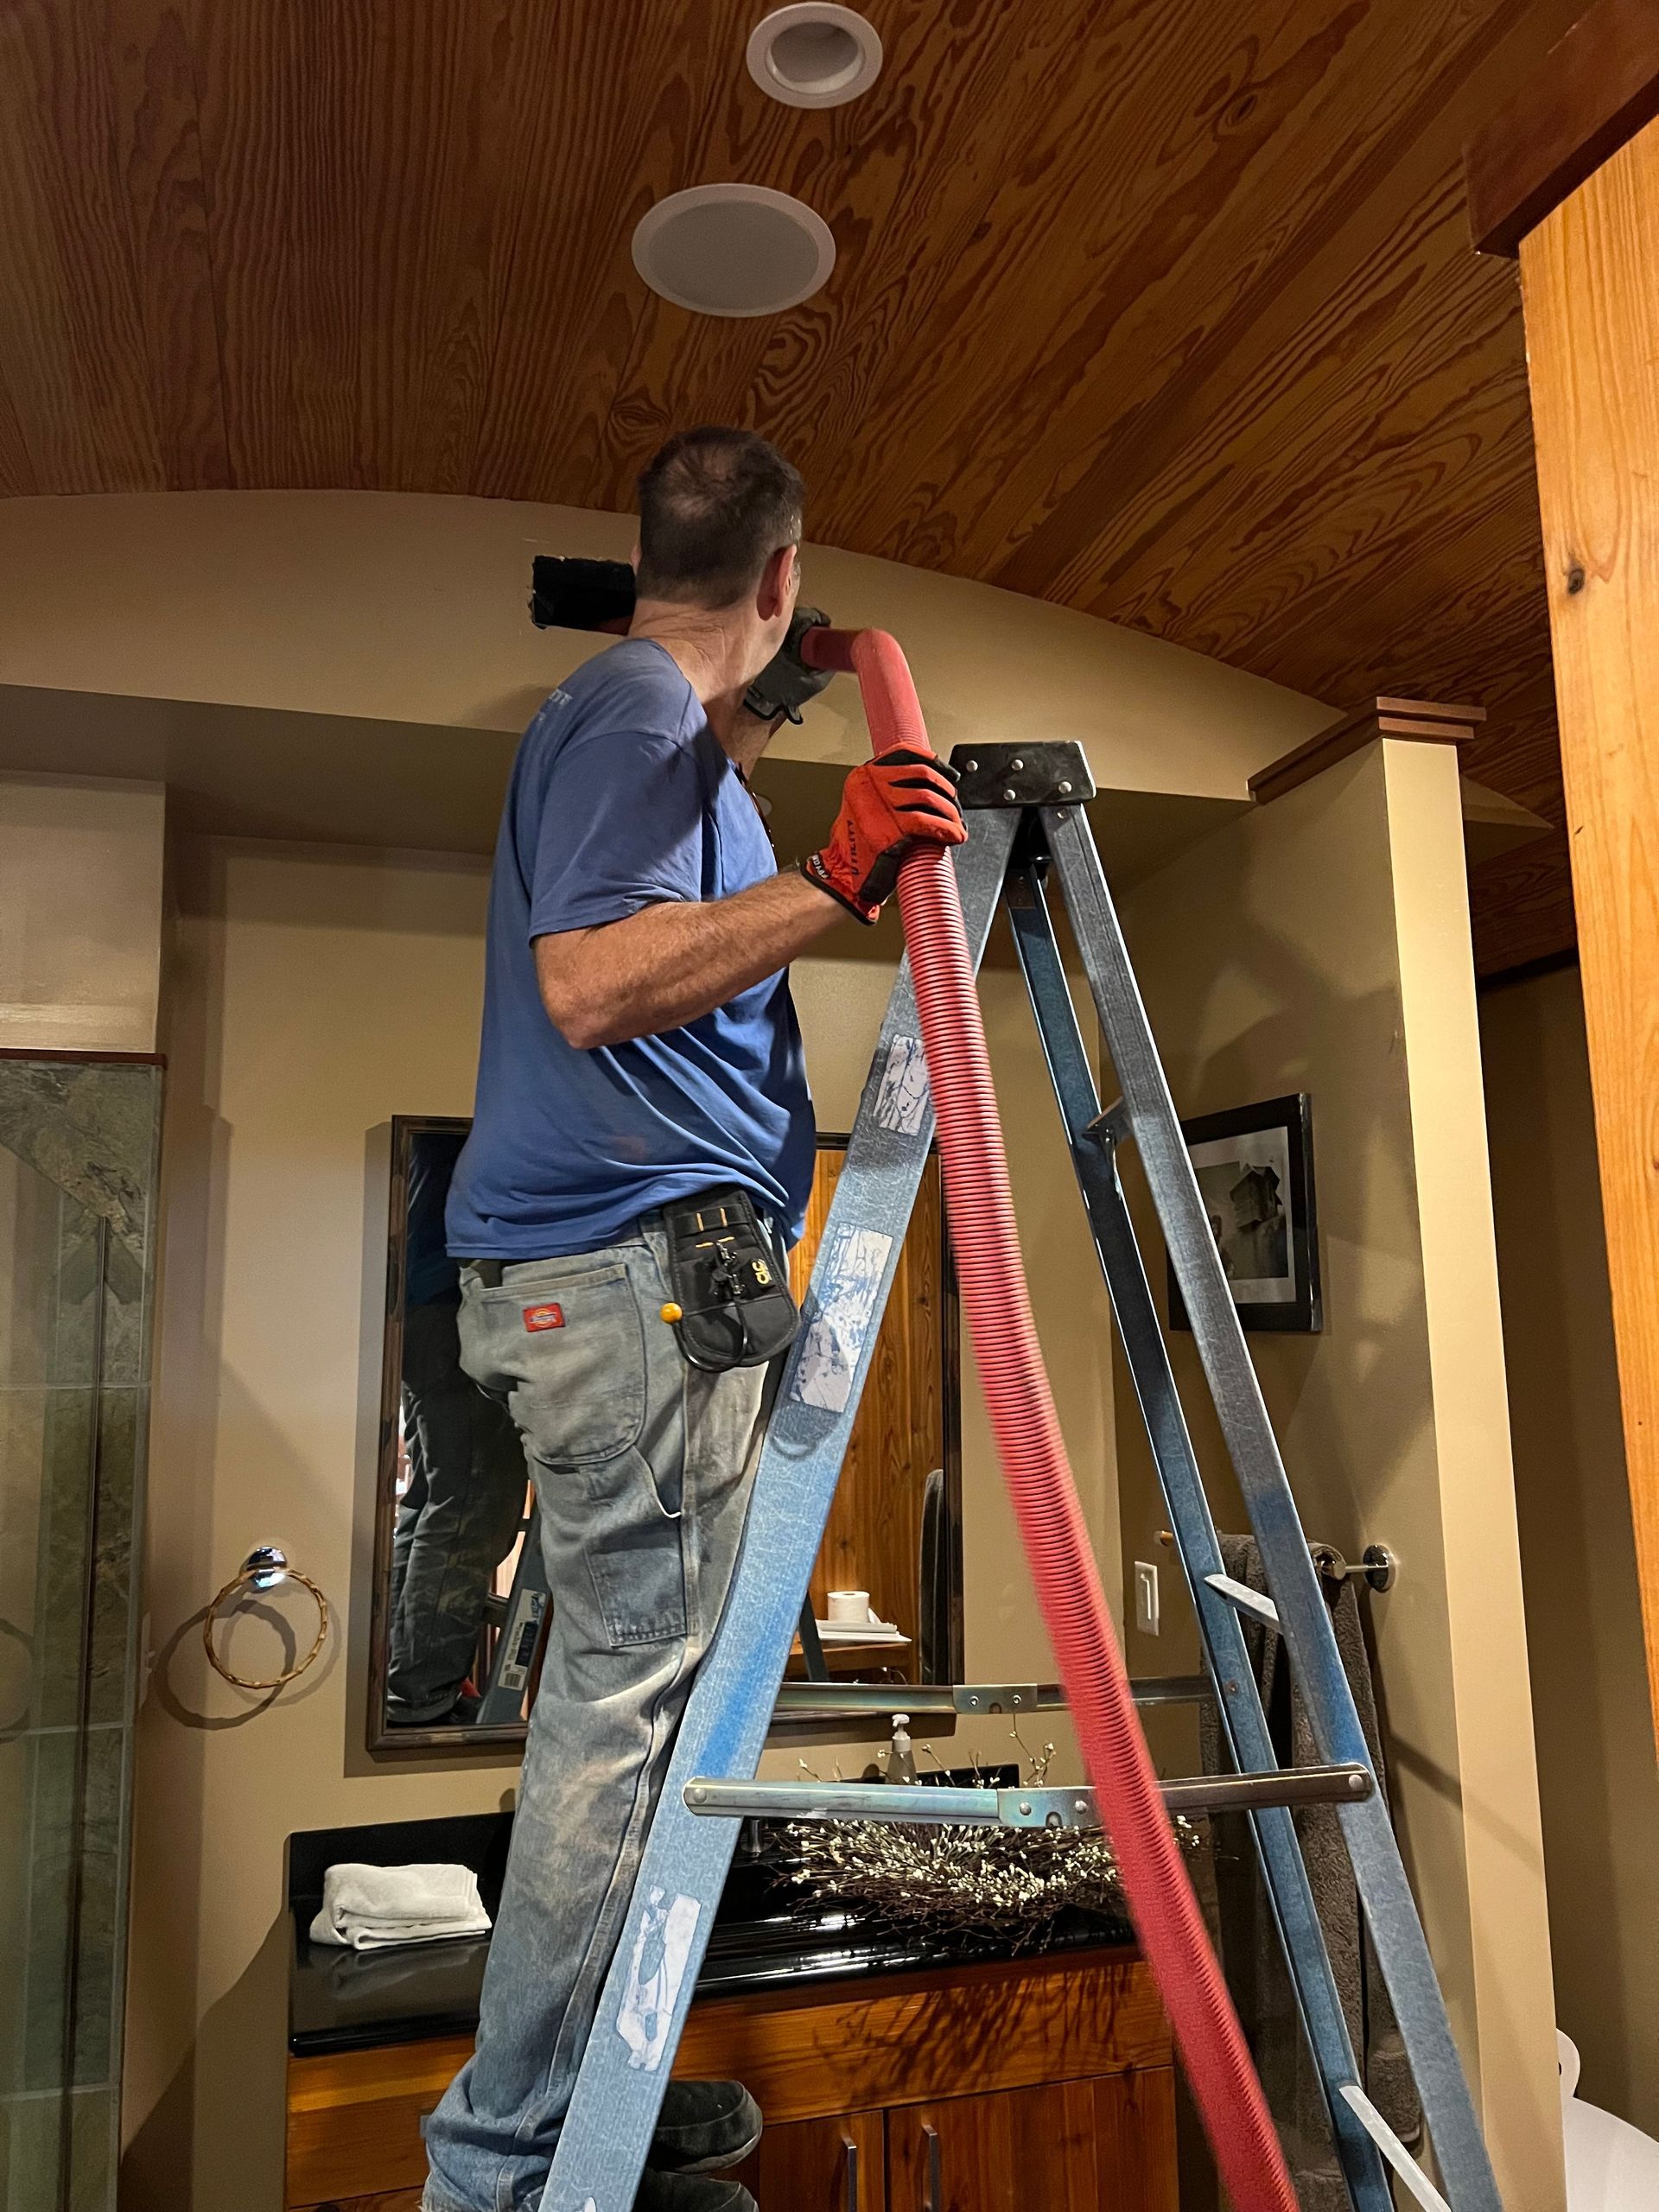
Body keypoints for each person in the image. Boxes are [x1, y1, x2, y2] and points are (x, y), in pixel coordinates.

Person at [421, 425, 965, 2212]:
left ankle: (589, 2090)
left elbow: (650, 902)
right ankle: (505, 2167)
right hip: (635, 1278)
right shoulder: (637, 713)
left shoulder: (680, 742)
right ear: (787, 578)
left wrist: (764, 748)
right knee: (627, 1708)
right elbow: (584, 983)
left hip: (647, 1281)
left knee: (636, 1699)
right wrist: (835, 883)